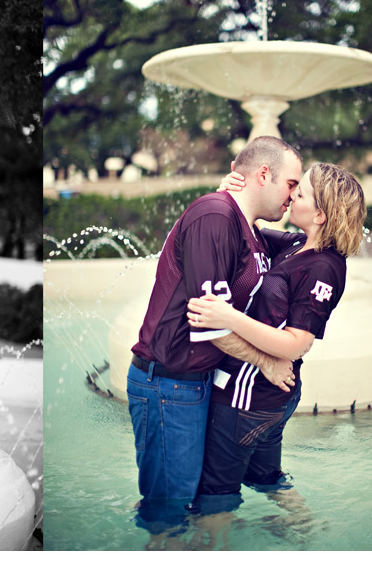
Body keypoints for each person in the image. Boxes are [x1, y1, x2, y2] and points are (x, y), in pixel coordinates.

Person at [128, 135, 303, 531]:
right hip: (169, 383)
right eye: (291, 184)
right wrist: (268, 362)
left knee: (188, 504)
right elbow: (207, 320)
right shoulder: (216, 216)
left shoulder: (251, 229)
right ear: (263, 174)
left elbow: (307, 247)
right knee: (168, 515)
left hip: (196, 384)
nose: (293, 196)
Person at [187, 163, 366, 514]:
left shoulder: (323, 267)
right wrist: (230, 194)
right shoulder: (299, 244)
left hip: (248, 397)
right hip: (272, 394)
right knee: (264, 477)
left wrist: (229, 317)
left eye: (300, 193)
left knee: (214, 494)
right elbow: (244, 226)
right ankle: (302, 529)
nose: (291, 195)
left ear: (320, 215)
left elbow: (298, 342)